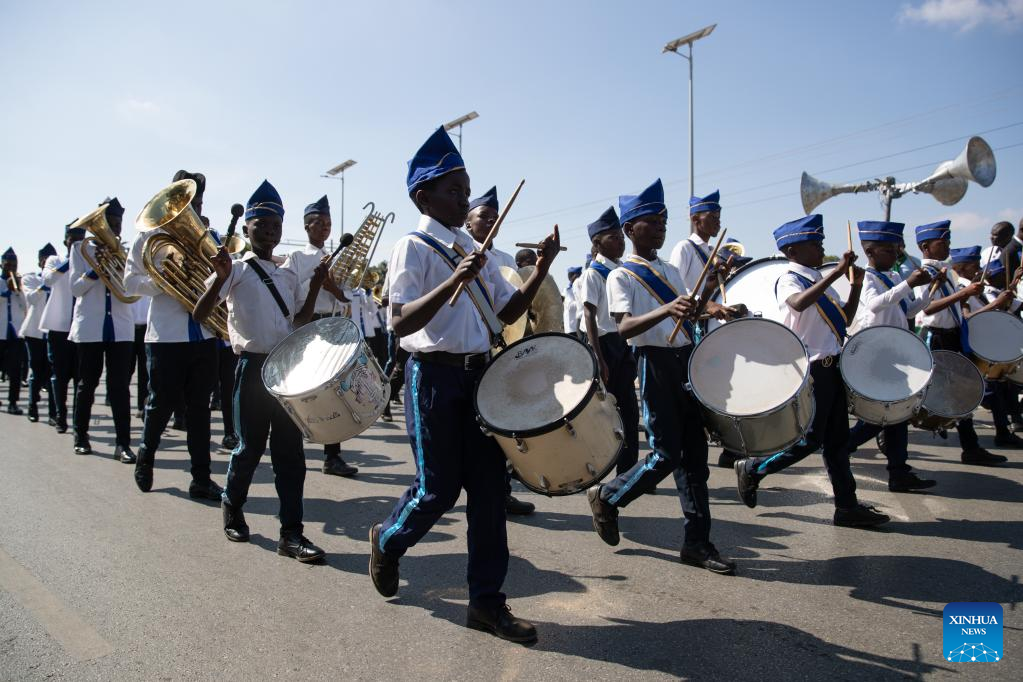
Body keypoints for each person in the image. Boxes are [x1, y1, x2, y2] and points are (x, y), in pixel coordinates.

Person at [368, 127, 559, 643]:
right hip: (432, 380)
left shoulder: (473, 246)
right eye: (453, 190)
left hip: (480, 379)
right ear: (422, 196)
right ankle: (388, 540)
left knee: (488, 495)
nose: (464, 199)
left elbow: (508, 311)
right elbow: (400, 321)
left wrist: (540, 270)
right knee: (438, 489)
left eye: (466, 189)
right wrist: (454, 280)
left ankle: (486, 604)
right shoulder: (413, 246)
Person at [584, 178, 738, 574]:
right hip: (653, 364)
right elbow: (625, 327)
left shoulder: (670, 268)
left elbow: (689, 311)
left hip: (684, 359)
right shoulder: (622, 276)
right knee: (666, 454)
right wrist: (668, 310)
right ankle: (609, 496)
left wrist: (708, 298)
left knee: (695, 460)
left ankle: (697, 543)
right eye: (652, 222)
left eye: (663, 222)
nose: (660, 228)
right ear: (630, 229)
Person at [194, 179, 328, 562]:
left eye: (275, 226)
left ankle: (292, 534)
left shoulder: (287, 273)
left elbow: (299, 321)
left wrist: (316, 285)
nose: (269, 231)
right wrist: (218, 278)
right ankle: (232, 506)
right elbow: (201, 314)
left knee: (291, 456)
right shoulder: (235, 269)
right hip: (251, 368)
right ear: (248, 228)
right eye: (262, 225)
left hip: (286, 369)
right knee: (249, 448)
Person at [733, 214, 890, 528]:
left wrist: (855, 286)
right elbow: (798, 304)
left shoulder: (821, 282)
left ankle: (846, 506)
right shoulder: (790, 279)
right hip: (813, 371)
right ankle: (754, 469)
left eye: (820, 243)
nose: (821, 249)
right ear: (792, 252)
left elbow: (843, 320)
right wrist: (834, 275)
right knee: (811, 439)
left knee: (837, 443)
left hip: (833, 369)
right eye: (814, 244)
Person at [123, 171, 223, 500]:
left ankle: (201, 478)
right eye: (188, 205)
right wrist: (164, 279)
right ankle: (145, 457)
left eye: (199, 204)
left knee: (199, 410)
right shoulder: (148, 239)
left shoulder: (209, 237)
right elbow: (129, 284)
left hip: (205, 335)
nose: (193, 212)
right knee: (160, 404)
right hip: (166, 337)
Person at [844, 221, 936, 492]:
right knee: (879, 417)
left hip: (895, 353)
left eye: (897, 248)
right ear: (871, 251)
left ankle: (899, 471)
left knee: (897, 415)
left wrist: (928, 290)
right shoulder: (867, 278)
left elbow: (909, 311)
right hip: (875, 354)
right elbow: (874, 305)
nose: (896, 254)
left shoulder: (893, 277)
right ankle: (840, 447)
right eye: (889, 249)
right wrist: (909, 282)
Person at [464, 186, 535, 516]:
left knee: (502, 426)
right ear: (468, 222)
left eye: (495, 216)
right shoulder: (459, 254)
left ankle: (501, 491)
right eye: (483, 216)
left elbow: (513, 309)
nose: (491, 220)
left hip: (503, 347)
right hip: (472, 351)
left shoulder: (504, 260)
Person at [914, 220, 1009, 464]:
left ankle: (971, 447)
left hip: (953, 336)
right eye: (941, 242)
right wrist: (963, 294)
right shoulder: (924, 274)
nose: (947, 246)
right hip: (936, 337)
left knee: (961, 392)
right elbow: (925, 309)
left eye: (948, 241)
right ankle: (879, 433)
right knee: (927, 395)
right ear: (925, 246)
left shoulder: (946, 273)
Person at [288, 195, 359, 477]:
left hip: (332, 326)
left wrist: (333, 288)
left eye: (328, 223)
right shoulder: (297, 257)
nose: (324, 228)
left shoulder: (339, 258)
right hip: (307, 325)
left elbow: (347, 299)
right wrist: (317, 283)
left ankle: (333, 456)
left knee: (334, 390)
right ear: (307, 227)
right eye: (318, 223)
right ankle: (292, 449)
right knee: (302, 391)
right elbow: (292, 295)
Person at [68, 199, 136, 462]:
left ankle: (123, 444)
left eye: (118, 225)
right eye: (110, 225)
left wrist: (116, 266)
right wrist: (96, 271)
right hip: (91, 327)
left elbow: (131, 290)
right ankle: (81, 436)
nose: (115, 230)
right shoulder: (80, 250)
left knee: (120, 387)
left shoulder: (125, 252)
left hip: (120, 328)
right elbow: (75, 289)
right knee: (87, 384)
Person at [579, 206, 639, 476]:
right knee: (608, 411)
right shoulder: (594, 273)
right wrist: (599, 357)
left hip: (622, 342)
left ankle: (629, 469)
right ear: (597, 242)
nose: (620, 241)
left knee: (629, 409)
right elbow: (589, 314)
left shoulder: (622, 270)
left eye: (620, 236)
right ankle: (609, 466)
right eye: (612, 237)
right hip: (604, 344)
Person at [40, 223, 84, 433]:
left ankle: (77, 419)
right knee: (59, 375)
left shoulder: (86, 258)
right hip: (59, 327)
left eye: (79, 238)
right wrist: (71, 260)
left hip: (80, 327)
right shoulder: (54, 260)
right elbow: (48, 280)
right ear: (65, 240)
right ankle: (59, 415)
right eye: (72, 238)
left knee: (79, 377)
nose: (75, 242)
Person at [19, 243, 57, 423]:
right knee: (35, 371)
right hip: (34, 331)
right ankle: (32, 407)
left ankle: (52, 413)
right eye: (45, 259)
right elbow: (32, 299)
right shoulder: (30, 279)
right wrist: (46, 282)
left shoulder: (59, 278)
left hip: (52, 330)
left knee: (52, 373)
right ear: (40, 261)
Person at [464, 186, 518, 270]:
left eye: (496, 218)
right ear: (468, 225)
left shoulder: (507, 260)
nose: (492, 220)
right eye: (483, 216)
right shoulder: (462, 254)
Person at [1, 247, 27, 414]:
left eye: (14, 264)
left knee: (15, 370)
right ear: (2, 264)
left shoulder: (21, 283)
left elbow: (26, 306)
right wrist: (6, 292)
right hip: (0, 332)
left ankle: (13, 402)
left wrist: (18, 291)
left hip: (16, 333)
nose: (11, 267)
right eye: (8, 264)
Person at [129, 296, 150, 418]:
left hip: (147, 327)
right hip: (128, 326)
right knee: (126, 371)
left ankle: (142, 407)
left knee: (145, 371)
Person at [563, 266, 583, 341]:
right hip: (572, 328)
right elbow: (570, 306)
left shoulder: (581, 287)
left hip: (580, 327)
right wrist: (583, 302)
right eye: (579, 275)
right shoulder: (568, 290)